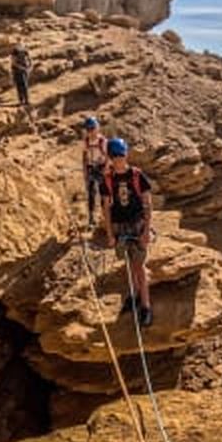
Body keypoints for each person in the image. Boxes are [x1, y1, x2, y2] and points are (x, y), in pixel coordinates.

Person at [100, 137, 154, 327]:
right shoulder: (107, 179)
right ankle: (134, 295)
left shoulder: (138, 176)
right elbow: (106, 208)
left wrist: (146, 231)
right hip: (120, 226)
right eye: (114, 156)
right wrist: (109, 234)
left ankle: (146, 306)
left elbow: (147, 205)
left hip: (137, 224)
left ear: (126, 154)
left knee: (139, 266)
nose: (118, 160)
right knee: (129, 263)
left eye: (120, 156)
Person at [82, 116, 107, 228]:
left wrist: (105, 169)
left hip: (101, 168)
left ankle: (104, 216)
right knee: (91, 193)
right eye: (88, 129)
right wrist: (85, 171)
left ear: (97, 128)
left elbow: (107, 157)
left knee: (103, 193)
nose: (90, 132)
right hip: (91, 167)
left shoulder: (102, 141)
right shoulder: (86, 141)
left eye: (92, 128)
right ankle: (91, 217)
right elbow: (84, 156)